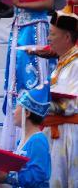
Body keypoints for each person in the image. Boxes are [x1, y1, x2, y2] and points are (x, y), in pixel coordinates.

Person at [0, 0, 55, 150]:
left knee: (33, 77)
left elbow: (49, 3)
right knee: (15, 79)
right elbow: (12, 2)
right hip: (18, 28)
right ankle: (16, 139)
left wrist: (20, 3)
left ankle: (34, 132)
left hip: (35, 29)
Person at [0, 89, 52, 187]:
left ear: (27, 113)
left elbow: (38, 175)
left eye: (16, 107)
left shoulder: (38, 141)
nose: (13, 112)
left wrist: (8, 177)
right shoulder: (21, 141)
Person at [45, 11, 78, 188]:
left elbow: (73, 104)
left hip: (72, 135)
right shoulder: (62, 63)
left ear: (66, 37)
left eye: (52, 34)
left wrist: (43, 104)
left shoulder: (76, 63)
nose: (48, 38)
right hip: (58, 132)